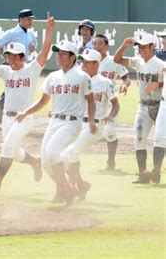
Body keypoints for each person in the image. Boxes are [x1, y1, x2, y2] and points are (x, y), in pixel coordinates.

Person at [0, 12, 55, 192]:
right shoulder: (5, 70)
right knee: (13, 152)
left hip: (24, 117)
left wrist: (49, 31)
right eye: (9, 56)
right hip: (7, 117)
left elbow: (44, 52)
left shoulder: (31, 70)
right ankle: (35, 162)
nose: (11, 59)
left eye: (15, 56)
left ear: (23, 57)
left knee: (7, 146)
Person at [16, 39, 95, 206]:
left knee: (52, 152)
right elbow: (43, 100)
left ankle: (66, 189)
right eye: (58, 52)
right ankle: (75, 187)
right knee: (45, 163)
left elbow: (91, 100)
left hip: (71, 123)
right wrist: (26, 112)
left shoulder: (82, 76)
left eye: (63, 53)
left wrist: (92, 121)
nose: (59, 56)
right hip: (54, 122)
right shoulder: (53, 76)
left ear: (73, 57)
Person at [61, 49, 120, 201]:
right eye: (83, 61)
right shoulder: (79, 79)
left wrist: (111, 116)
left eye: (87, 62)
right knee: (62, 156)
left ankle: (74, 187)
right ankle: (82, 185)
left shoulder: (105, 83)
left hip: (95, 126)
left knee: (72, 151)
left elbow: (116, 104)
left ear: (96, 64)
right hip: (78, 124)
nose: (84, 64)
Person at [113, 33, 164, 184]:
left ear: (152, 47)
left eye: (143, 46)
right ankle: (143, 174)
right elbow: (117, 60)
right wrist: (123, 46)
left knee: (161, 139)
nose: (140, 49)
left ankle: (156, 171)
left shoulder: (160, 64)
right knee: (140, 139)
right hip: (143, 106)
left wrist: (158, 84)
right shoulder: (138, 62)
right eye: (139, 46)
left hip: (160, 106)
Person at [0, 9, 38, 131]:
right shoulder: (12, 32)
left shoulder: (30, 33)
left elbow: (33, 48)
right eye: (28, 19)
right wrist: (6, 57)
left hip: (24, 66)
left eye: (31, 19)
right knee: (11, 90)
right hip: (12, 65)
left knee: (14, 91)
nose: (30, 21)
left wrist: (32, 48)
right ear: (20, 20)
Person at [93, 34, 131, 170]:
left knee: (109, 133)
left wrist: (124, 85)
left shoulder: (113, 61)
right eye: (95, 44)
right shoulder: (89, 61)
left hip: (110, 102)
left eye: (99, 44)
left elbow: (126, 78)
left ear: (106, 46)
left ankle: (110, 162)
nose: (97, 47)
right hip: (92, 103)